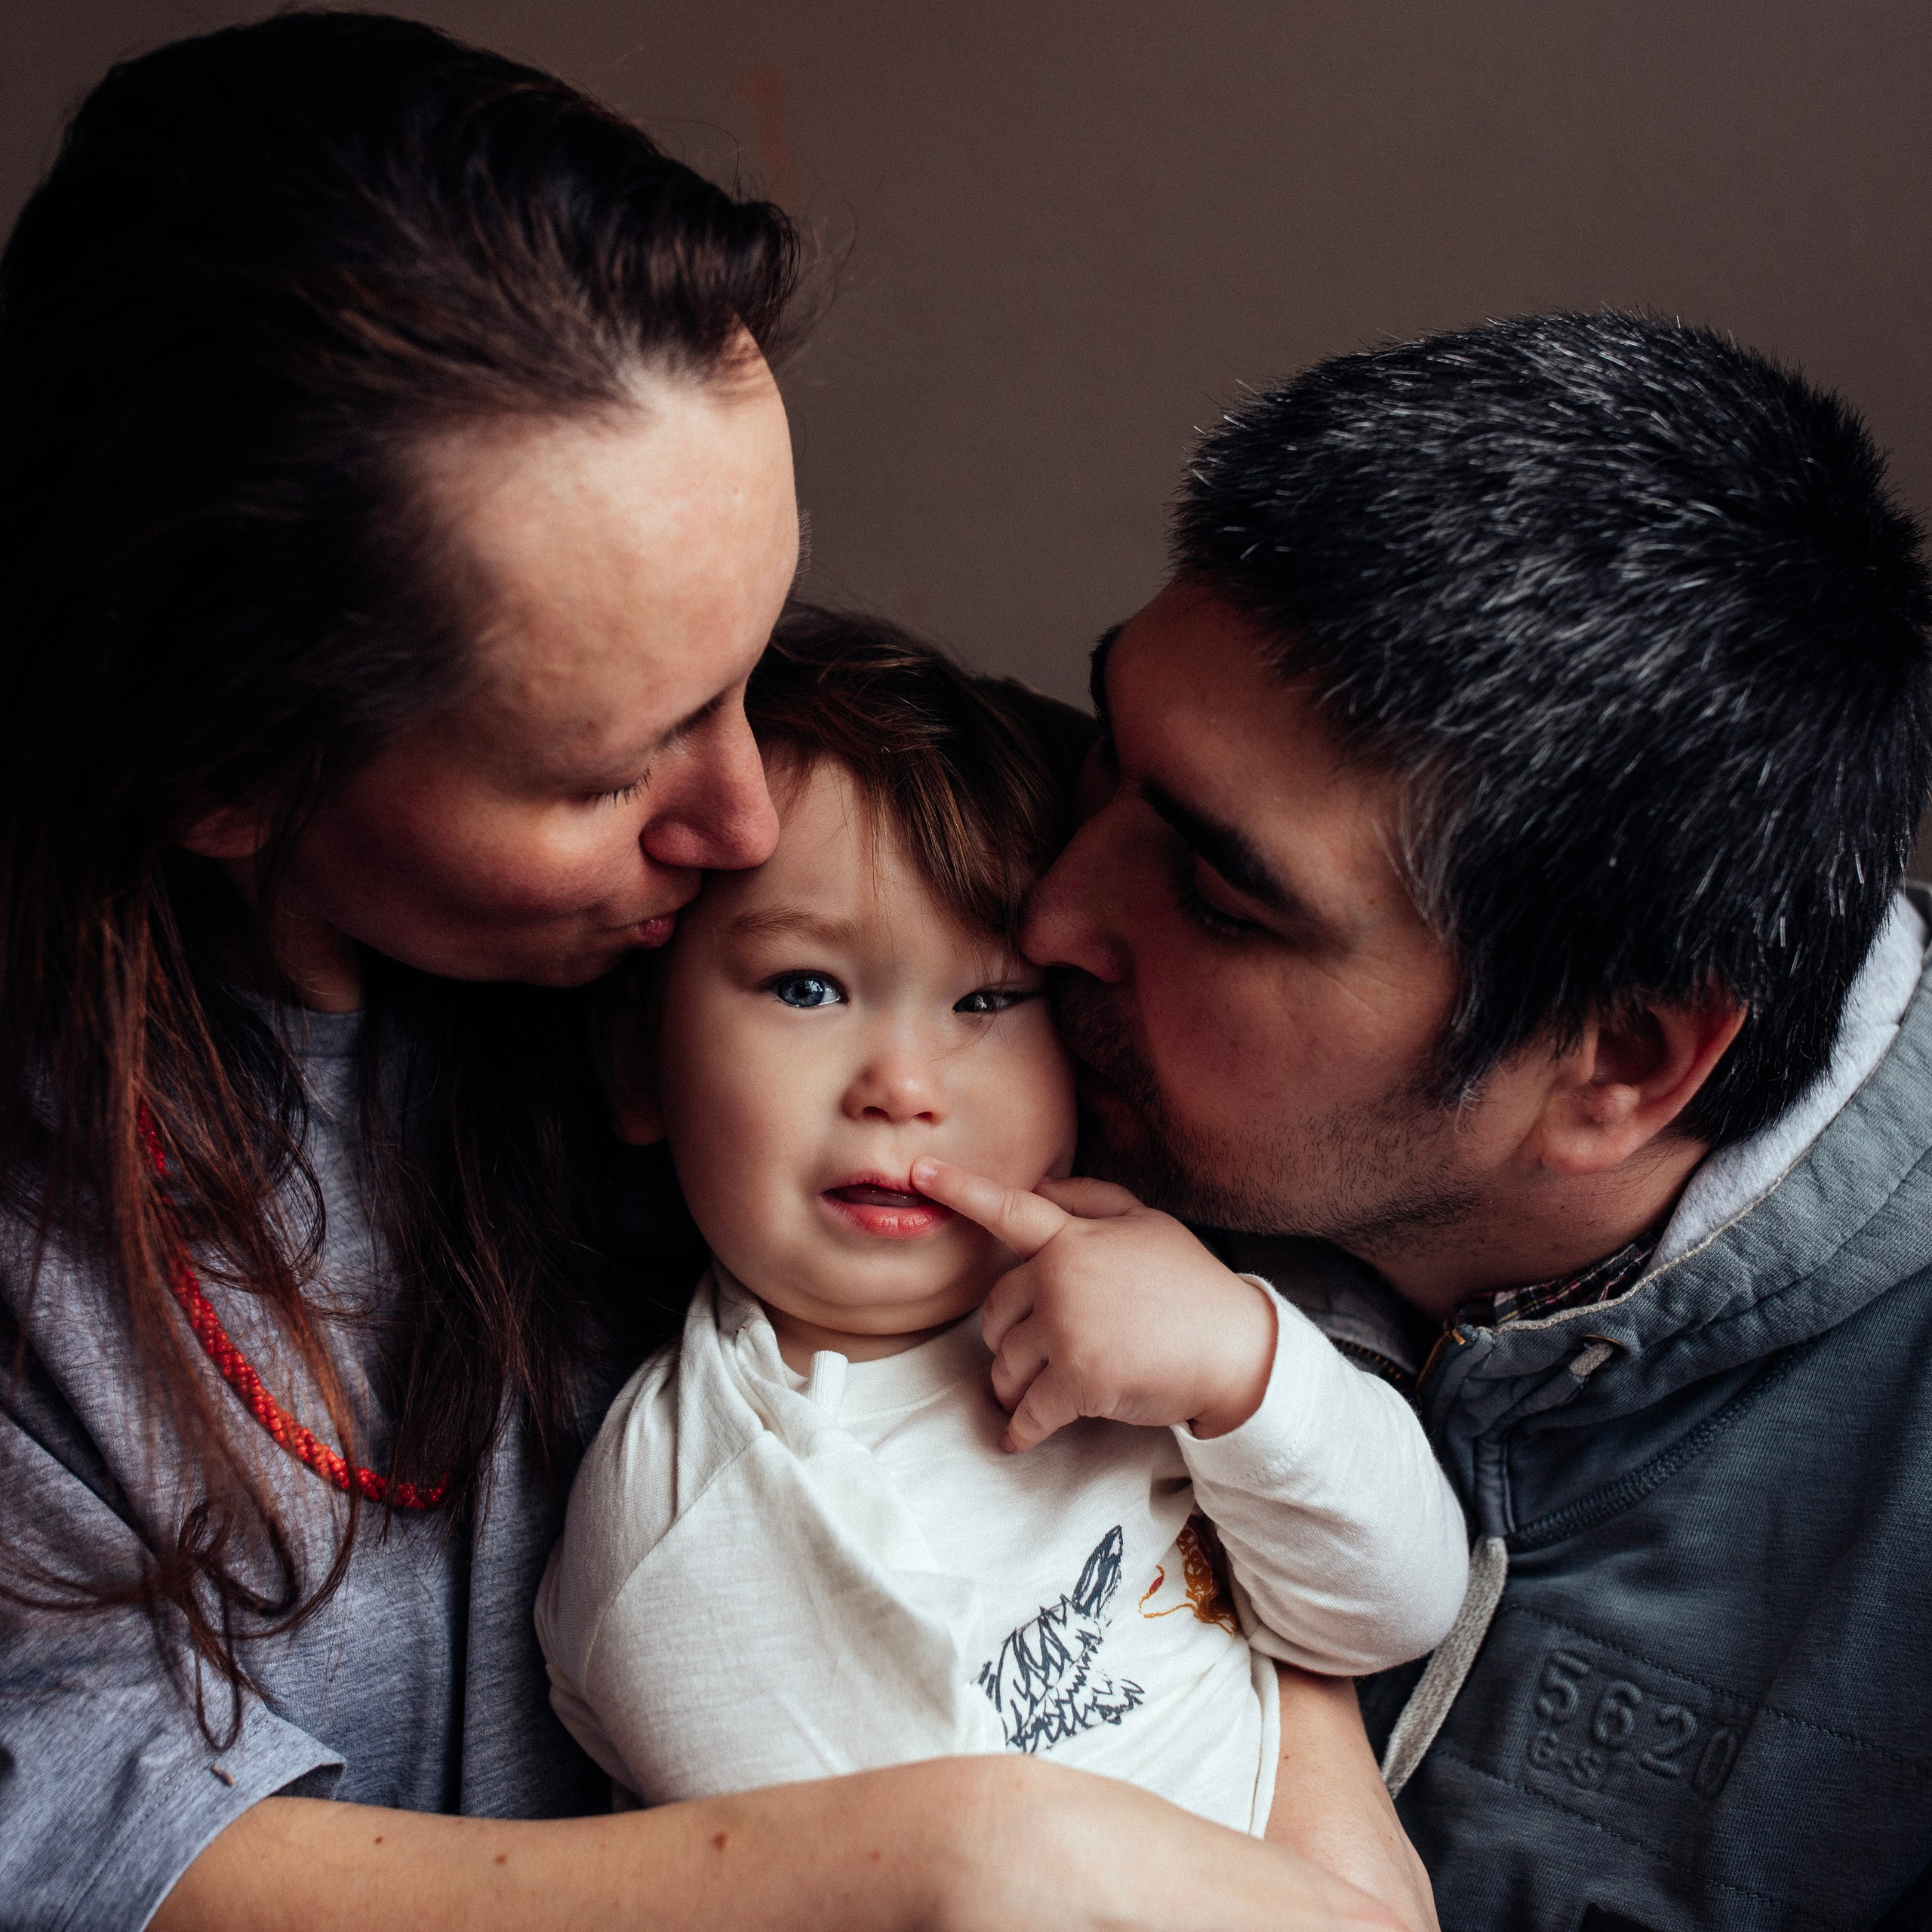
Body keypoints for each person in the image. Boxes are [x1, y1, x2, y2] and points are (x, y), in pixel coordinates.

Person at [0, 13, 1420, 1931]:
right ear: (230, 778)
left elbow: (1268, 1249)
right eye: (613, 766)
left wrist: (1286, 1742)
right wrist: (963, 1857)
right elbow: (74, 1829)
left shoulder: (822, 863)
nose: (747, 818)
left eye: (749, 665)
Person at [1020, 310, 1932, 1930]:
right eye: (1107, 753)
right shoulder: (1003, 1041)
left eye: (1222, 897)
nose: (1045, 921)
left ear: (1615, 1064)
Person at [535, 612, 1468, 1829]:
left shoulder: (1160, 1308)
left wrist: (1244, 1367)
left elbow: (1398, 1608)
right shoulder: (701, 1519)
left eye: (986, 998)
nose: (904, 1085)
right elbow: (947, 1886)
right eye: (807, 987)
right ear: (637, 1063)